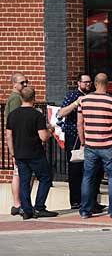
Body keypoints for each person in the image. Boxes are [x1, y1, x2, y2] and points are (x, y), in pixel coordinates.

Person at [6, 87, 58, 220]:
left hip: (20, 154)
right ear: (34, 98)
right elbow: (43, 137)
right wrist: (51, 130)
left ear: (21, 98)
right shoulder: (37, 115)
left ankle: (27, 210)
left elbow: (9, 136)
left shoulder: (13, 115)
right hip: (35, 153)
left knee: (24, 181)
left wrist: (13, 154)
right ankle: (39, 207)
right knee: (45, 177)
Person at [77, 73, 112, 218]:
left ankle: (85, 210)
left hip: (91, 144)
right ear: (107, 84)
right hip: (109, 144)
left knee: (88, 177)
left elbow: (80, 123)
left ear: (95, 83)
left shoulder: (84, 100)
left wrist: (83, 141)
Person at [58, 73, 103, 212]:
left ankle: (92, 200)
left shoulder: (93, 96)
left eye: (90, 82)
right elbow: (61, 113)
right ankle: (76, 200)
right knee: (76, 170)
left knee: (93, 170)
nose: (88, 85)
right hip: (74, 137)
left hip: (91, 137)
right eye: (85, 82)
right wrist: (76, 103)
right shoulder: (72, 96)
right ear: (79, 83)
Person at [6, 73, 26, 216]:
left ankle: (19, 203)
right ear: (14, 84)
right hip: (19, 143)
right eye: (22, 83)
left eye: (26, 82)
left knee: (19, 173)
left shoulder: (16, 98)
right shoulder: (15, 99)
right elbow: (14, 122)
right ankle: (17, 203)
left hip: (18, 143)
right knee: (18, 173)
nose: (25, 85)